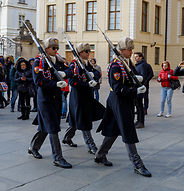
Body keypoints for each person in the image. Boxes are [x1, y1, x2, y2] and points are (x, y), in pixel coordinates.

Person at [95, 37, 151, 177]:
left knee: (113, 130)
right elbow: (117, 87)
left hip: (125, 100)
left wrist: (138, 79)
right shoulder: (116, 65)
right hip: (119, 100)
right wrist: (134, 91)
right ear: (121, 50)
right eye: (129, 49)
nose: (132, 51)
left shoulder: (126, 63)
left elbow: (134, 75)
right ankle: (137, 163)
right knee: (128, 130)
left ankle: (100, 154)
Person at [28, 37, 73, 169]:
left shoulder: (58, 60)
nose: (56, 50)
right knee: (53, 127)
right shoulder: (39, 61)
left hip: (56, 98)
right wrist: (55, 83)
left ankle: (33, 147)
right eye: (53, 48)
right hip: (45, 99)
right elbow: (38, 80)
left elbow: (70, 70)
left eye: (57, 48)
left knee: (45, 126)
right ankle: (58, 158)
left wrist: (63, 74)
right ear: (46, 49)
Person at [62, 43, 104, 155]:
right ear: (80, 53)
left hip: (88, 95)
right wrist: (87, 85)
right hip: (78, 96)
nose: (88, 53)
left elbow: (97, 72)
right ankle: (91, 145)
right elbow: (72, 81)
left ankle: (67, 137)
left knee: (77, 120)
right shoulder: (74, 64)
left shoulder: (87, 63)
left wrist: (93, 75)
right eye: (86, 51)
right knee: (84, 120)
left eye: (89, 51)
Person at [134, 52, 148, 128]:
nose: (135, 58)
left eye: (137, 57)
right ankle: (138, 120)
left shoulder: (142, 65)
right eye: (135, 57)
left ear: (140, 57)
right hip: (136, 87)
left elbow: (143, 77)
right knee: (137, 105)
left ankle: (141, 121)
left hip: (140, 87)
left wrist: (142, 86)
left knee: (139, 105)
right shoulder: (137, 65)